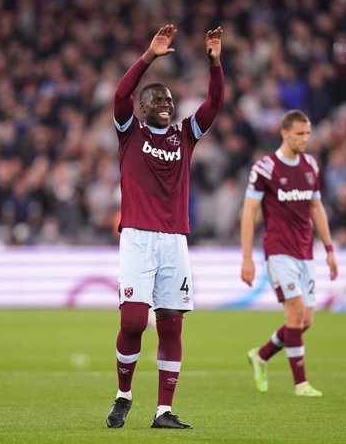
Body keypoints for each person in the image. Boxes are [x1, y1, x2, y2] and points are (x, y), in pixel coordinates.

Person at [105, 24, 224, 429]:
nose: (166, 105)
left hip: (175, 240)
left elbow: (215, 102)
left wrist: (215, 63)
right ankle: (123, 395)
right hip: (137, 237)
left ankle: (163, 411)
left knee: (172, 324)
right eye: (157, 99)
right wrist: (149, 57)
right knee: (135, 321)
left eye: (170, 100)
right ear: (141, 108)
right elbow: (120, 94)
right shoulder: (130, 132)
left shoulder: (184, 135)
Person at [240, 109, 338, 397]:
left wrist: (329, 249)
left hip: (305, 253)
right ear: (284, 133)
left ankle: (261, 355)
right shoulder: (266, 168)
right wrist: (247, 257)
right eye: (299, 133)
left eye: (307, 133)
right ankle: (301, 383)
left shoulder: (311, 166)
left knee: (305, 321)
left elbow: (316, 208)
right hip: (278, 251)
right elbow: (249, 212)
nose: (305, 139)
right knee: (295, 314)